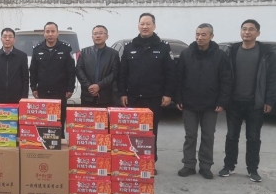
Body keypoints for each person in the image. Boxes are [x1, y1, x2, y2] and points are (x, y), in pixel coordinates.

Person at [219, 19, 276, 182]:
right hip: (234, 103)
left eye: (251, 29)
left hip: (255, 103)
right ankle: (228, 166)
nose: (247, 32)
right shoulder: (232, 51)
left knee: (253, 138)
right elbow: (224, 77)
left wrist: (269, 100)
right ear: (240, 31)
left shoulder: (266, 53)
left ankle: (252, 169)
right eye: (244, 29)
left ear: (258, 33)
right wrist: (224, 99)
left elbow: (272, 79)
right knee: (231, 136)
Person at [175, 24, 232, 179]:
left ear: (211, 36)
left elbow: (226, 80)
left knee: (208, 136)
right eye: (197, 34)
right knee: (190, 136)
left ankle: (205, 166)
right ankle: (188, 165)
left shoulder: (220, 56)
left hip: (211, 104)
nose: (199, 37)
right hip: (189, 103)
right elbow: (179, 78)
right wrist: (178, 98)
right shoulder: (186, 54)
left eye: (203, 35)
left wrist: (222, 101)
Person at [118, 13, 177, 163]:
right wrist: (123, 93)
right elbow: (123, 73)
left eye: (148, 24)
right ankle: (134, 160)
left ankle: (150, 161)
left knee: (151, 131)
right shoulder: (129, 47)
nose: (145, 27)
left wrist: (168, 94)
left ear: (154, 26)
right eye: (142, 24)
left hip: (154, 97)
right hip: (133, 97)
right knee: (133, 130)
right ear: (138, 26)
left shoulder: (163, 47)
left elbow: (170, 73)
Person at [29, 22, 75, 137]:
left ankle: (60, 141)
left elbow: (71, 71)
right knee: (44, 120)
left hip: (60, 92)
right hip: (43, 92)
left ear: (57, 33)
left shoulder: (66, 49)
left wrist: (70, 88)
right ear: (44, 34)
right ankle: (44, 142)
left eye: (53, 31)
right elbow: (33, 71)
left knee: (59, 120)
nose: (50, 34)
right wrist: (34, 88)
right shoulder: (37, 49)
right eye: (47, 31)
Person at [76, 25, 120, 107]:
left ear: (107, 36)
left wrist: (99, 86)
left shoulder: (113, 54)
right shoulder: (84, 52)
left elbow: (115, 73)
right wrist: (89, 86)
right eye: (95, 34)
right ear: (92, 37)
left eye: (101, 33)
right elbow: (79, 70)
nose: (98, 36)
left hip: (106, 96)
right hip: (87, 95)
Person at [0, 28, 29, 104]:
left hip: (17, 97)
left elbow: (25, 79)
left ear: (14, 40)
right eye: (5, 36)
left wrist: (24, 97)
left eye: (10, 37)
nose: (7, 39)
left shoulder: (22, 56)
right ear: (1, 39)